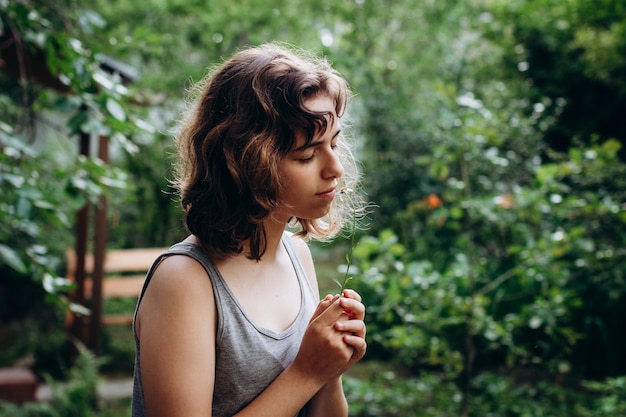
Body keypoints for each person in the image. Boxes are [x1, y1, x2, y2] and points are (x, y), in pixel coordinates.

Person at [131, 42, 368, 417]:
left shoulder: (297, 256)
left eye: (334, 144)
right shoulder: (185, 282)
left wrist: (329, 366)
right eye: (307, 154)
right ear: (248, 163)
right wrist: (308, 371)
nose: (334, 168)